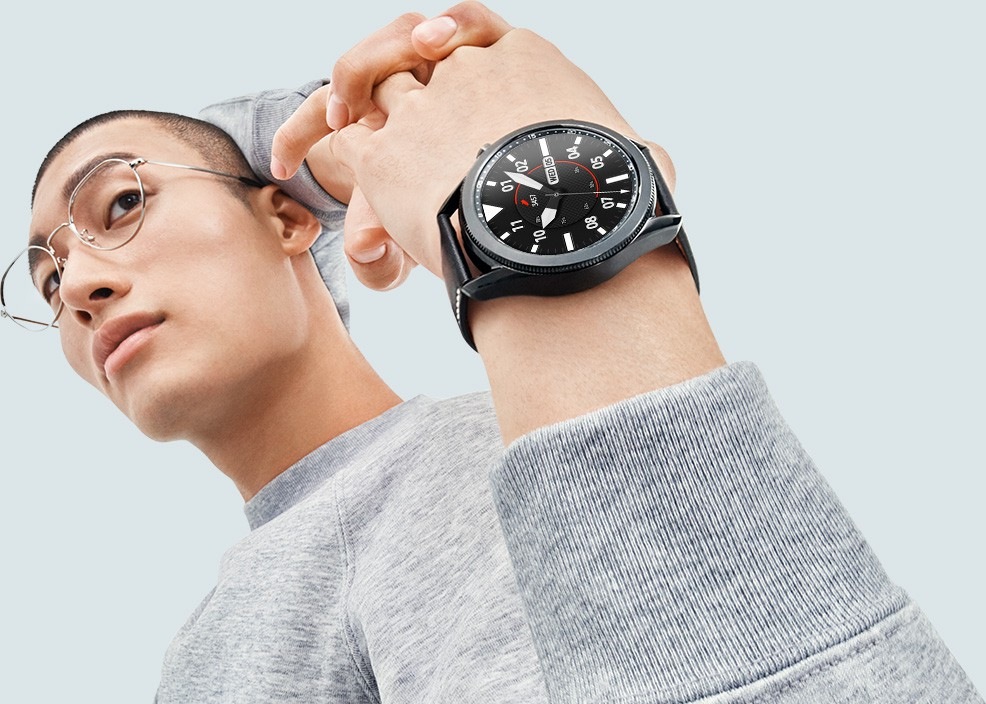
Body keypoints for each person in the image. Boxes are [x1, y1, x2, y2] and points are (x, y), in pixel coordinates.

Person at [5, 5, 982, 704]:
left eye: (122, 204)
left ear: (288, 216)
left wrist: (529, 175)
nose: (80, 285)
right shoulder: (216, 623)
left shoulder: (476, 471)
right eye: (47, 281)